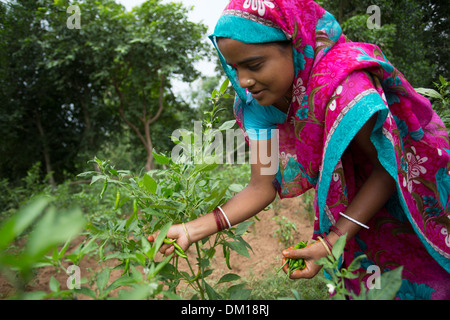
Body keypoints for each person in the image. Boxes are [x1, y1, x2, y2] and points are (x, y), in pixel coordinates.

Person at [149, 0, 450, 299]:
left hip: (410, 189)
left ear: (295, 44)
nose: (243, 81)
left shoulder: (345, 85)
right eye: (234, 67)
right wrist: (192, 229)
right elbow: (261, 185)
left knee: (424, 277)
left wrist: (332, 241)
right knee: (367, 281)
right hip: (354, 206)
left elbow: (388, 168)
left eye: (254, 65)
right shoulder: (259, 107)